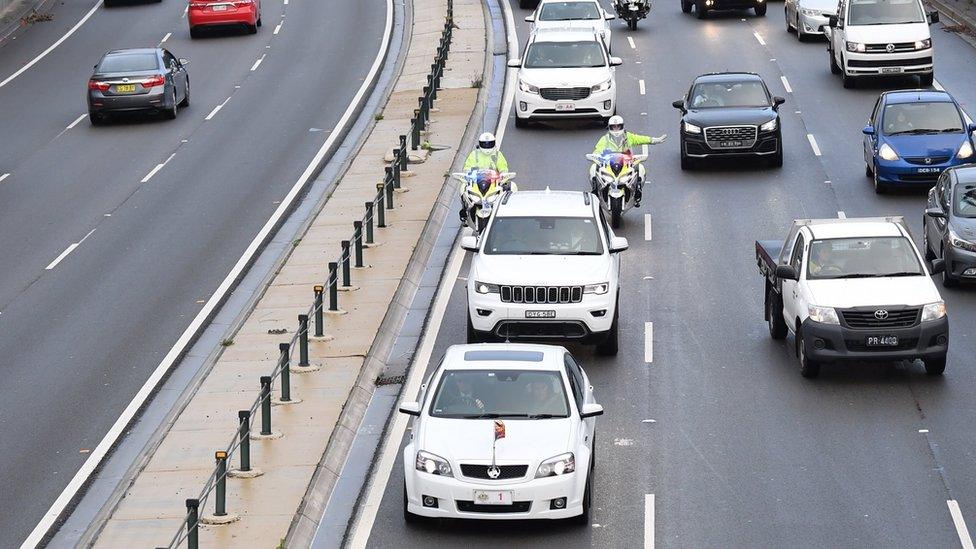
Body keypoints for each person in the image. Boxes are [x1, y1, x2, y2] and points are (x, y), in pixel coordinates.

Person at [591, 115, 666, 207]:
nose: (616, 130)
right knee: (593, 167)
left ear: (622, 126)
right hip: (609, 166)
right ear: (609, 128)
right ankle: (595, 191)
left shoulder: (628, 137)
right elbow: (597, 151)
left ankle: (638, 191)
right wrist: (597, 156)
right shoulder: (604, 139)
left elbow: (640, 139)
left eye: (618, 126)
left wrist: (654, 140)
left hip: (626, 165)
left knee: (641, 168)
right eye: (613, 127)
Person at [461, 132, 509, 221]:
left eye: (490, 144)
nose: (487, 147)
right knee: (463, 187)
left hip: (493, 184)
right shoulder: (474, 155)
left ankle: (507, 213)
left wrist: (503, 176)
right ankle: (464, 211)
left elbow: (504, 168)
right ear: (480, 144)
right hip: (476, 183)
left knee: (510, 189)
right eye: (485, 144)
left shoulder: (498, 155)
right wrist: (467, 174)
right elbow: (467, 168)